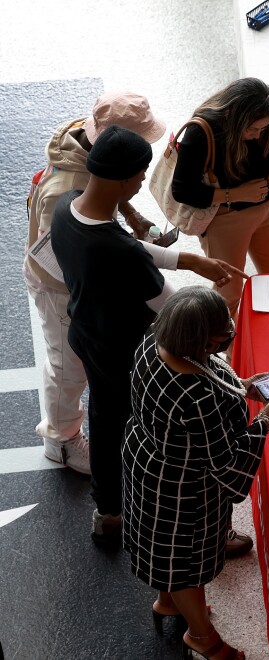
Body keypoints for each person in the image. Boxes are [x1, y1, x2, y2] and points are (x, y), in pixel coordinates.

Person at [51, 125, 247, 545]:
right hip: (126, 352)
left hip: (87, 331)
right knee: (156, 432)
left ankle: (108, 512)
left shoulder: (68, 207)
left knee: (104, 419)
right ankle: (168, 519)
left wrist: (190, 259)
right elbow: (176, 312)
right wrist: (219, 322)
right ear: (123, 179)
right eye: (140, 176)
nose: (143, 181)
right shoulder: (116, 252)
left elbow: (128, 246)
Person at [123, 287, 269, 660]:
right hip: (183, 488)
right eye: (222, 333)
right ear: (200, 341)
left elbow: (210, 372)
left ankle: (168, 602)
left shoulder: (153, 341)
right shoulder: (198, 398)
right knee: (185, 563)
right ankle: (201, 637)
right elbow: (228, 465)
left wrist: (243, 385)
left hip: (147, 462)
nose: (228, 333)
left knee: (165, 552)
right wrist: (266, 417)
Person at [24, 91, 165, 475]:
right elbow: (58, 258)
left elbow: (101, 197)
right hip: (60, 288)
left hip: (73, 279)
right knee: (68, 369)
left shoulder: (81, 142)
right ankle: (62, 440)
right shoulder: (63, 190)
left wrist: (131, 217)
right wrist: (109, 271)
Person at [171, 77, 269, 322]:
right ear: (232, 116)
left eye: (263, 129)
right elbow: (183, 190)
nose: (257, 135)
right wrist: (235, 194)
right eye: (251, 129)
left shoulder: (266, 108)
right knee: (229, 296)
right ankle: (231, 355)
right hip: (226, 218)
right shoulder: (201, 131)